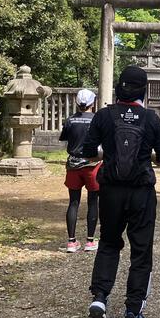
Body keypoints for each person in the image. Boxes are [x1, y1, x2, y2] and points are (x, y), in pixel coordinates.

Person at [80, 66, 160, 318]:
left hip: (110, 190)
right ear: (144, 89)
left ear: (119, 87)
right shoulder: (151, 118)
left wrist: (110, 155)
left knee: (109, 242)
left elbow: (88, 153)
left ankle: (100, 297)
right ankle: (133, 311)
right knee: (141, 249)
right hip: (141, 191)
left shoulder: (103, 115)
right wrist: (147, 159)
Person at [59, 89, 101, 253]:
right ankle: (90, 241)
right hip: (93, 166)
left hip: (73, 165)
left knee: (73, 202)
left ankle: (71, 242)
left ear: (77, 103)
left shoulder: (70, 120)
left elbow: (64, 138)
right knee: (92, 202)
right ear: (93, 103)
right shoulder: (97, 120)